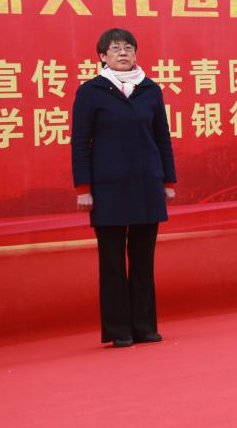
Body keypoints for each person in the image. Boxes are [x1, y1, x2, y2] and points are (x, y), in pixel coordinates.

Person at [71, 28, 177, 348]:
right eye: (115, 48)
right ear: (102, 56)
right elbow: (80, 142)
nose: (123, 53)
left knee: (143, 260)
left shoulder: (150, 90)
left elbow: (162, 138)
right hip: (108, 188)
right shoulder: (91, 91)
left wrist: (168, 181)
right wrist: (84, 188)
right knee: (113, 262)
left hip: (147, 185)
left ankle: (144, 326)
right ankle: (119, 330)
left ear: (135, 54)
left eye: (128, 48)